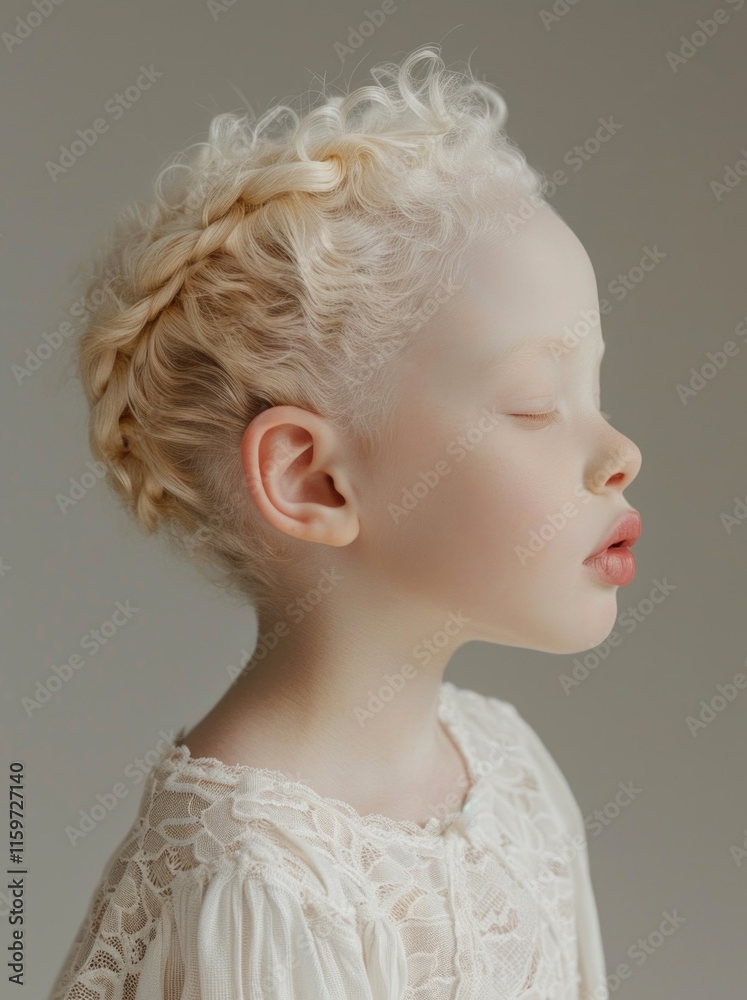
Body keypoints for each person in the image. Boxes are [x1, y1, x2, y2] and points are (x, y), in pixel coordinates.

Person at [50, 42, 642, 1000]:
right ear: (314, 482)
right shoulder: (256, 878)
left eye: (594, 388)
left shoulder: (503, 764)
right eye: (536, 402)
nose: (620, 450)